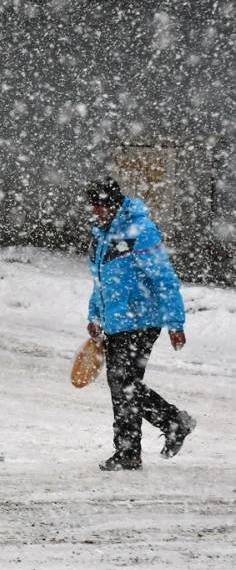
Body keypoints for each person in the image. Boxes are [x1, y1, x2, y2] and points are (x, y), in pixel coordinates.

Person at [85, 177, 196, 471]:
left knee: (123, 383)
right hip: (117, 322)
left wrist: (175, 322)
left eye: (99, 206)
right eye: (93, 206)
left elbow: (164, 279)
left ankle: (146, 439)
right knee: (124, 384)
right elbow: (101, 280)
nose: (94, 212)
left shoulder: (140, 231)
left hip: (141, 321)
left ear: (113, 203)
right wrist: (95, 315)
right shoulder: (102, 234)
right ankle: (138, 446)